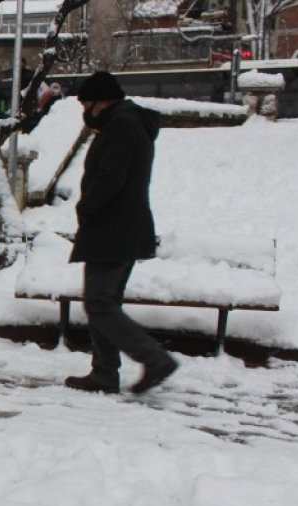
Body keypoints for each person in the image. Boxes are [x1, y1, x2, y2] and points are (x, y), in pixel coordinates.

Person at [65, 71, 177, 395]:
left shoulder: (122, 125)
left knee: (100, 303)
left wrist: (87, 207)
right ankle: (104, 373)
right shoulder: (127, 122)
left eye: (87, 104)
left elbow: (110, 177)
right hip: (119, 226)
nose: (86, 111)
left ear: (102, 101)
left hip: (113, 227)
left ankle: (154, 360)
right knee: (103, 302)